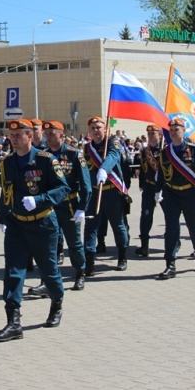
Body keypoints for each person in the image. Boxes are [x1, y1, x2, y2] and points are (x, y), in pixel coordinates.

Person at [0, 119, 70, 342]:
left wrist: (39, 200)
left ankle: (57, 302)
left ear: (29, 136)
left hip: (42, 223)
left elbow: (63, 188)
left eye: (18, 135)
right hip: (17, 224)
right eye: (11, 135)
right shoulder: (7, 162)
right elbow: (5, 191)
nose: (13, 139)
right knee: (13, 272)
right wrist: (2, 216)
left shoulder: (45, 160)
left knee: (49, 271)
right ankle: (13, 322)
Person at [28, 120, 91, 294]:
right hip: (50, 206)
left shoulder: (73, 154)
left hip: (70, 205)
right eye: (46, 133)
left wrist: (82, 208)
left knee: (74, 243)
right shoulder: (43, 155)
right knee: (48, 244)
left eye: (52, 133)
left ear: (61, 135)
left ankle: (80, 273)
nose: (48, 136)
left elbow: (86, 185)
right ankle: (45, 281)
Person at [155, 117, 195, 279]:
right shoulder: (165, 152)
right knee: (171, 230)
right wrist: (158, 191)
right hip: (172, 194)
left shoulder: (193, 149)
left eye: (176, 129)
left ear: (183, 130)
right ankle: (170, 264)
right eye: (171, 130)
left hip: (191, 194)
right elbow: (161, 173)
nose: (173, 132)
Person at [82, 117, 130, 275]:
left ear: (105, 129)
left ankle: (122, 257)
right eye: (93, 128)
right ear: (89, 131)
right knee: (90, 227)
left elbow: (113, 156)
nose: (96, 130)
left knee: (118, 225)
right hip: (95, 192)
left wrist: (104, 169)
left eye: (99, 127)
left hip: (112, 191)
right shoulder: (86, 148)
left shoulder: (112, 142)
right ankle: (89, 262)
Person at [135, 124, 163, 257]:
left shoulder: (166, 150)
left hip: (164, 189)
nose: (151, 136)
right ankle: (144, 245)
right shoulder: (145, 151)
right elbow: (142, 168)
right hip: (149, 187)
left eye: (154, 133)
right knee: (145, 216)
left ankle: (174, 241)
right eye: (149, 134)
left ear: (160, 134)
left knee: (170, 217)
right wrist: (141, 184)